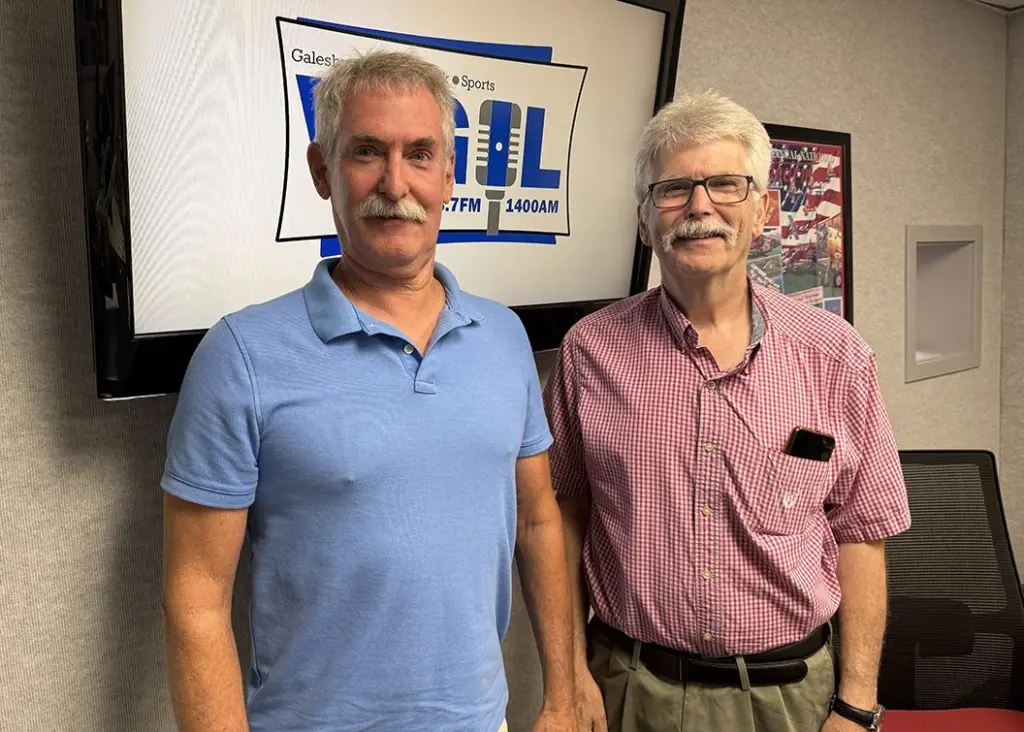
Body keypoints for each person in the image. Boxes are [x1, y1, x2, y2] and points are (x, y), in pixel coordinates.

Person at [160, 49, 577, 732]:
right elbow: (196, 597)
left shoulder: (504, 338)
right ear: (323, 171)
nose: (395, 181)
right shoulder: (240, 354)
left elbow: (536, 520)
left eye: (420, 153)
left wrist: (561, 694)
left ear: (450, 173)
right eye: (366, 152)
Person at [544, 90, 911, 732]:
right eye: (674, 189)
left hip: (791, 698)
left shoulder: (836, 356)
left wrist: (856, 705)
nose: (699, 207)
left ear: (763, 208)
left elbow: (861, 530)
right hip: (630, 689)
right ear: (644, 221)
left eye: (724, 184)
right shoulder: (588, 351)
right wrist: (570, 676)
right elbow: (562, 517)